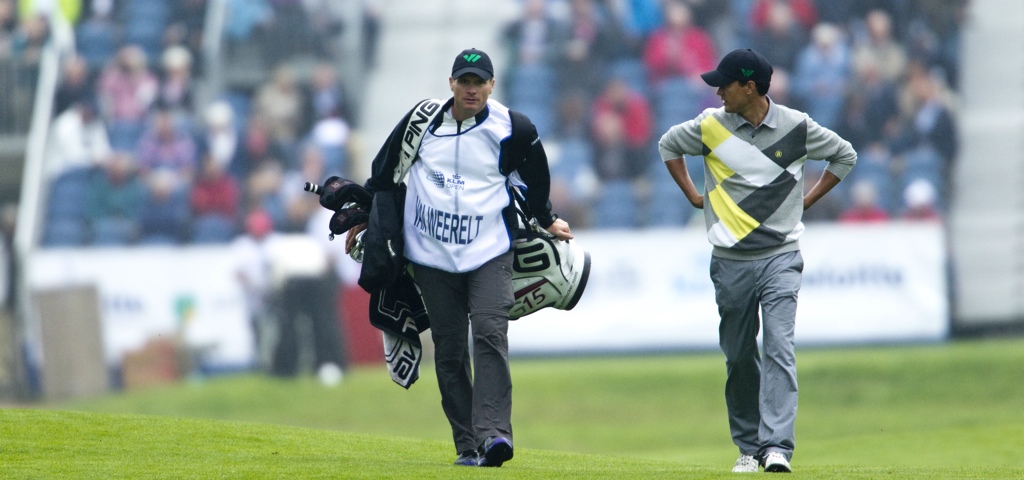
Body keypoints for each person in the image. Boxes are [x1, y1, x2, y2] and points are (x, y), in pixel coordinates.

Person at [344, 48, 573, 468]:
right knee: (449, 350)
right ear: (451, 84)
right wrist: (366, 214)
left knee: (489, 332)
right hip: (430, 255)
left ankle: (494, 435)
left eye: (479, 82)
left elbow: (537, 177)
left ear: (491, 85)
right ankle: (467, 444)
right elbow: (385, 172)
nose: (471, 89)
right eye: (464, 81)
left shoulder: (514, 128)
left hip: (490, 251)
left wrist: (547, 218)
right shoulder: (422, 121)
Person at [658, 48, 856, 473]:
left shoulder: (797, 126)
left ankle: (777, 447)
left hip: (781, 255)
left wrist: (807, 200)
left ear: (749, 87)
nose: (717, 91)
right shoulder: (709, 125)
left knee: (780, 347)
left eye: (724, 84)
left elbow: (845, 155)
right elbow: (668, 145)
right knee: (738, 355)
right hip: (729, 260)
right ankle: (749, 447)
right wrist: (693, 195)